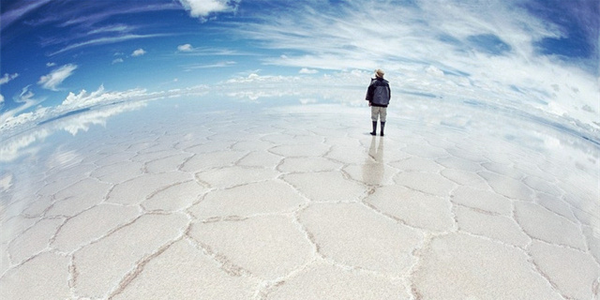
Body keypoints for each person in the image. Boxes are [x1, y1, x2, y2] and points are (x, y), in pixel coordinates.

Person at [365, 69, 391, 136]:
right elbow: (389, 94)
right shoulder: (386, 83)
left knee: (374, 117)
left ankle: (374, 132)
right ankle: (382, 132)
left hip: (375, 103)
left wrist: (370, 101)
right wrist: (387, 102)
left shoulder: (374, 82)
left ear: (376, 75)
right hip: (384, 104)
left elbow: (370, 93)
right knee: (383, 118)